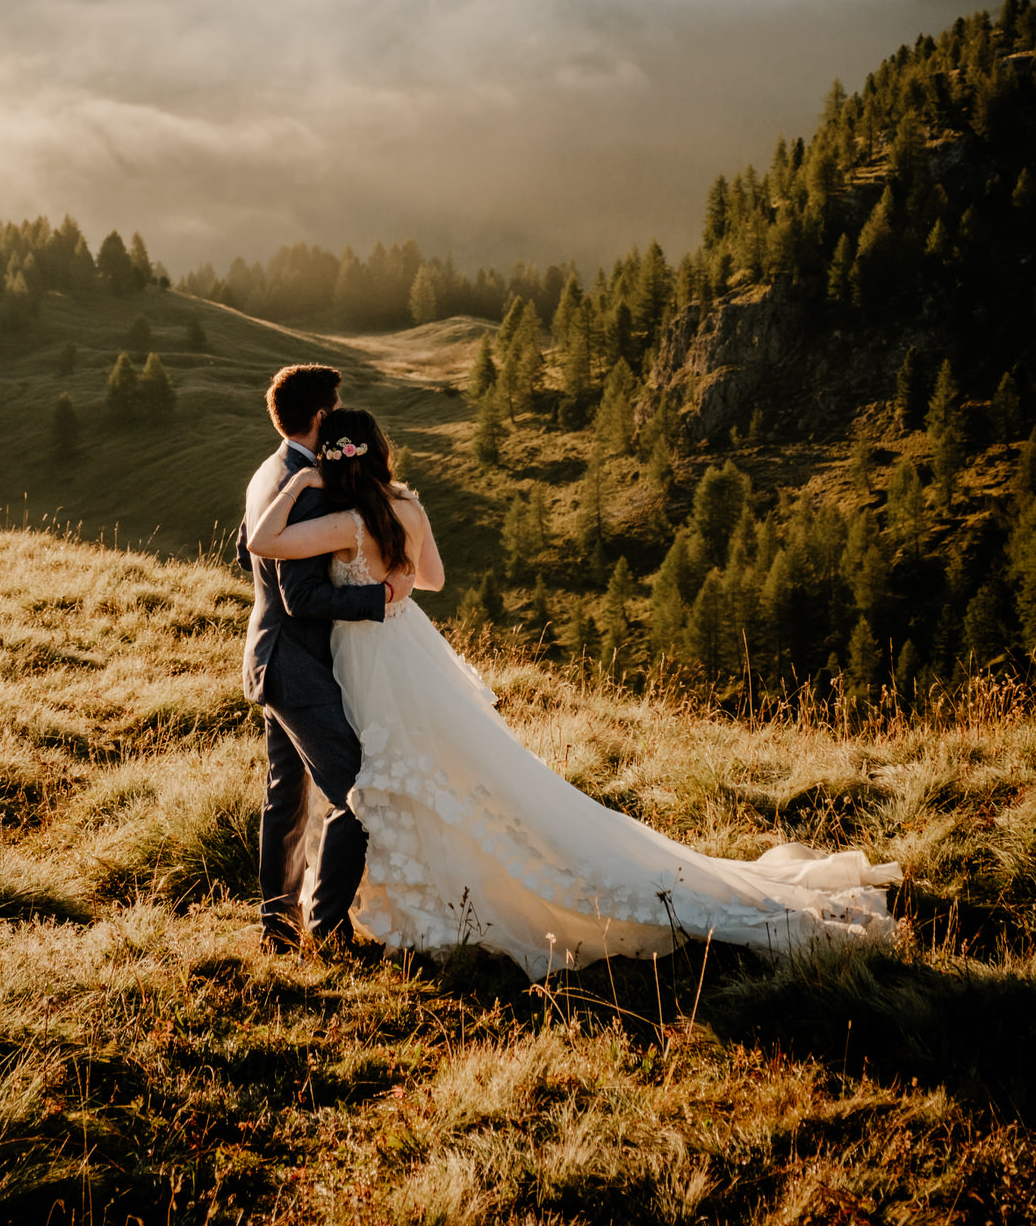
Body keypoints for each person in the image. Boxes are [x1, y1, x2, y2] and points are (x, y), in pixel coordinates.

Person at [246, 406, 903, 979]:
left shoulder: (345, 522)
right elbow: (435, 579)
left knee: (389, 778)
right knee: (436, 770)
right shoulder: (407, 507)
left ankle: (407, 907)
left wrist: (302, 481)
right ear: (380, 452)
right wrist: (398, 588)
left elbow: (264, 540)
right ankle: (415, 901)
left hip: (368, 660)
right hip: (411, 647)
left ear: (335, 463)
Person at [237, 365, 413, 955]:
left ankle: (276, 924)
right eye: (334, 410)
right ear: (319, 418)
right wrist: (377, 598)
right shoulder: (308, 488)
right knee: (355, 789)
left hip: (268, 653)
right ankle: (327, 929)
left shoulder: (269, 470)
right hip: (298, 668)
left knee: (286, 791)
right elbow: (301, 595)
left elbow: (246, 550)